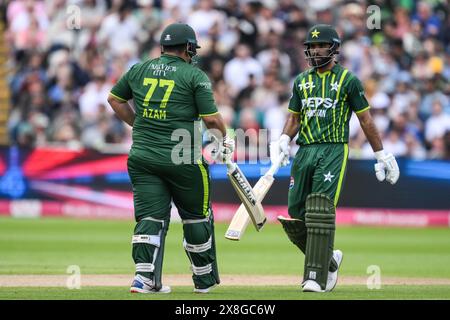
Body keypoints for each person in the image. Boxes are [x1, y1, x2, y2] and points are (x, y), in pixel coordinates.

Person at [271, 24, 400, 293]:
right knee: (296, 215)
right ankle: (329, 261)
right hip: (304, 151)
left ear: (334, 49)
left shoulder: (348, 81)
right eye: (312, 46)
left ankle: (316, 277)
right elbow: (294, 117)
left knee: (320, 210)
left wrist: (381, 154)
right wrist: (283, 140)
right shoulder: (301, 81)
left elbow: (365, 119)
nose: (316, 50)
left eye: (321, 45)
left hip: (332, 150)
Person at [107, 23, 234, 294]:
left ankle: (144, 278)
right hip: (183, 159)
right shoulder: (194, 75)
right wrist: (225, 139)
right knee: (196, 218)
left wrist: (138, 123)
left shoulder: (139, 68)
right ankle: (203, 281)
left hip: (142, 157)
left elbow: (115, 99)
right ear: (188, 48)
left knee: (149, 217)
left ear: (163, 46)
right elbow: (211, 118)